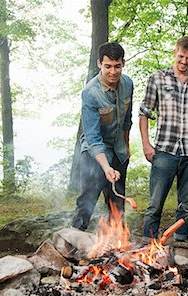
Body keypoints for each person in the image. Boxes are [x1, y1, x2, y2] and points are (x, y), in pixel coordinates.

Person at [139, 36, 188, 242]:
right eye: (181, 56)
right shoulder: (158, 79)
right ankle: (148, 245)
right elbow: (144, 111)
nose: (184, 61)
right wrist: (146, 144)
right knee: (155, 203)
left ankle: (181, 243)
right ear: (174, 52)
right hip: (164, 151)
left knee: (186, 204)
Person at [71, 42, 133, 231]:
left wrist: (127, 147)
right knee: (88, 197)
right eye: (108, 66)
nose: (113, 72)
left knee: (117, 199)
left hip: (118, 148)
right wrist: (106, 167)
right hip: (94, 152)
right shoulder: (90, 93)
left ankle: (118, 245)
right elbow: (93, 137)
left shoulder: (128, 83)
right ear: (99, 64)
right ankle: (73, 237)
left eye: (117, 66)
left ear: (123, 63)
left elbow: (127, 119)